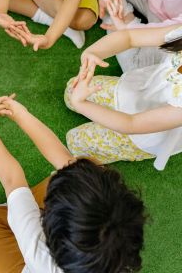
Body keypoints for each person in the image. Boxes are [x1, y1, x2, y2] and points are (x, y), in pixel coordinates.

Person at [0, 94, 145, 273]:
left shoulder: (38, 252)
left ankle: (12, 209)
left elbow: (11, 178)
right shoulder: (116, 246)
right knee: (85, 167)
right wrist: (21, 115)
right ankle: (16, 207)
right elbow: (67, 161)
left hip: (29, 260)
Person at [65, 23, 182, 170]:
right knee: (71, 90)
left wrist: (80, 103)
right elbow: (129, 37)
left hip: (144, 133)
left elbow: (131, 124)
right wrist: (93, 53)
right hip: (136, 90)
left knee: (75, 141)